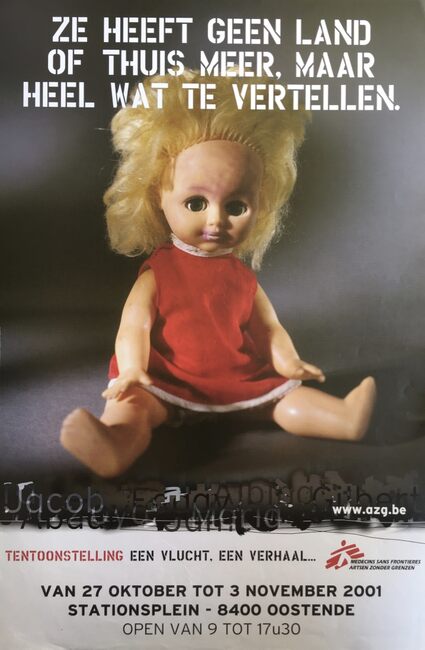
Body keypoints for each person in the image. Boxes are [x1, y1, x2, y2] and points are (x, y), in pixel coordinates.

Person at [61, 70, 376, 478]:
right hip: (164, 378)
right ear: (158, 195)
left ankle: (343, 418)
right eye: (195, 203)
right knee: (133, 405)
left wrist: (289, 362)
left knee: (286, 399)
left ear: (260, 205)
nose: (216, 220)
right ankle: (115, 443)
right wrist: (135, 368)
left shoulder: (240, 277)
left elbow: (268, 328)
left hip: (234, 376)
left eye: (236, 206)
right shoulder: (158, 274)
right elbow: (134, 326)